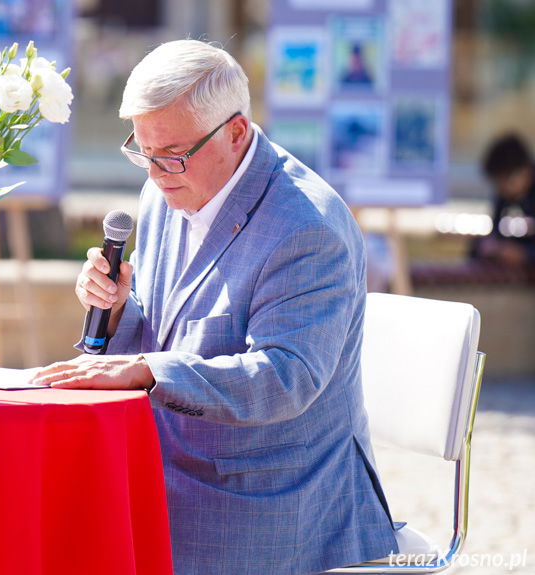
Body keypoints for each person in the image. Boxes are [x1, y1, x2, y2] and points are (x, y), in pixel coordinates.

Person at [32, 40, 398, 574]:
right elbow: (162, 332)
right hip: (168, 466)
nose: (156, 174)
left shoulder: (307, 228)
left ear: (236, 132)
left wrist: (147, 371)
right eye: (143, 151)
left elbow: (285, 377)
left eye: (172, 154)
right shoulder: (165, 190)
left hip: (267, 498)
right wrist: (114, 312)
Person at [471, 133, 535, 266]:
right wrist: (485, 246)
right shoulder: (504, 198)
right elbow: (494, 235)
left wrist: (526, 254)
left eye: (505, 181)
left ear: (525, 170)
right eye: (497, 183)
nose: (502, 189)